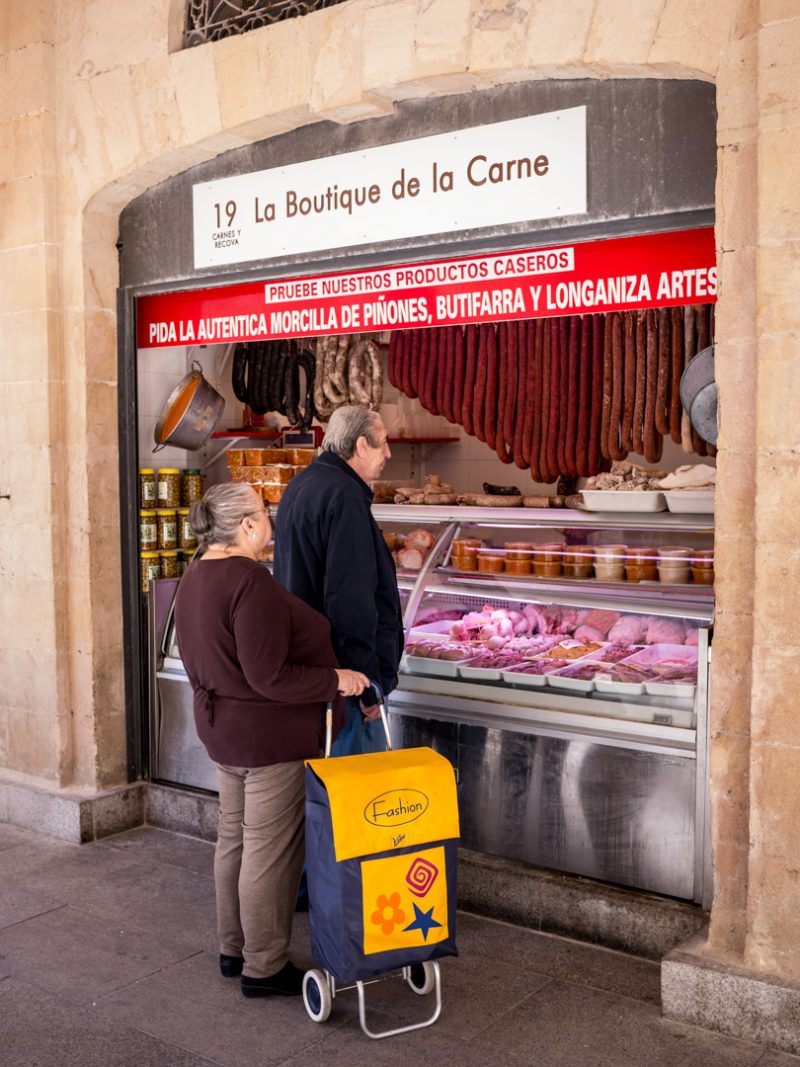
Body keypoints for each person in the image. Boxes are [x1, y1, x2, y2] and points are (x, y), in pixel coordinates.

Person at [173, 483, 369, 999]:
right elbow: (270, 677)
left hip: (223, 729)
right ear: (245, 526)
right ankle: (263, 967)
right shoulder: (249, 582)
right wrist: (336, 679)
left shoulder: (195, 573)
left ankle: (232, 948)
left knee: (234, 840)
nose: (269, 523)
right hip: (268, 736)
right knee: (269, 851)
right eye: (263, 514)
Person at [273, 405, 404, 756]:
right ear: (361, 446)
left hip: (313, 671)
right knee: (356, 802)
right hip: (346, 686)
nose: (388, 453)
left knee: (321, 792)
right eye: (383, 444)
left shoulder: (303, 482)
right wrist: (367, 684)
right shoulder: (345, 496)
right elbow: (350, 599)